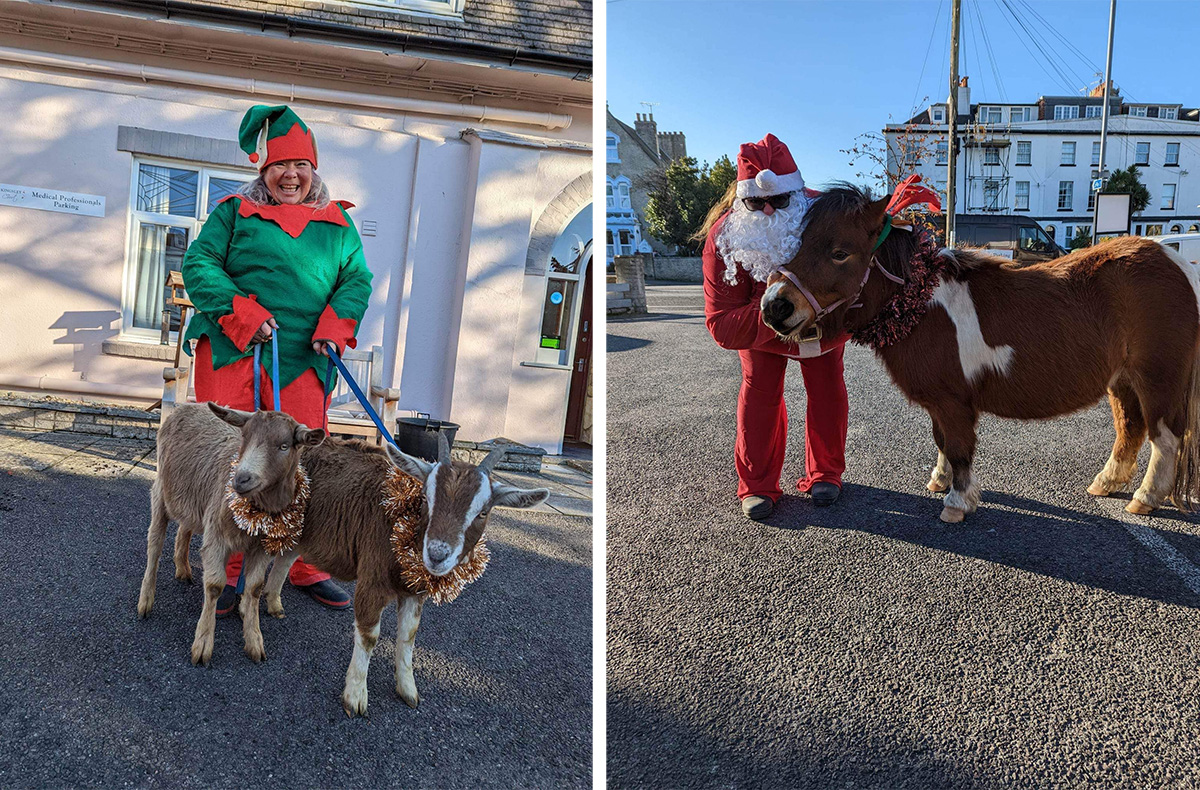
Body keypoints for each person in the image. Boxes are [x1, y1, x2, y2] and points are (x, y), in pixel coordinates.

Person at [181, 104, 373, 615]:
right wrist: (242, 312)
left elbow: (356, 280)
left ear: (314, 170)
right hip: (236, 349)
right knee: (235, 458)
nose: (290, 176)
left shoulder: (338, 225)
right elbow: (198, 263)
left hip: (306, 358)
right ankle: (229, 563)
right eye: (279, 166)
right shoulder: (232, 212)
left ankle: (303, 562)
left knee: (302, 463)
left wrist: (335, 327)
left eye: (300, 166)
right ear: (263, 171)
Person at [696, 133, 849, 521]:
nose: (767, 210)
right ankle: (757, 484)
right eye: (755, 202)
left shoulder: (825, 216)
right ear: (740, 199)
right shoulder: (724, 239)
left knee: (827, 390)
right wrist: (779, 314)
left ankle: (826, 472)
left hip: (820, 326)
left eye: (779, 200)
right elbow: (721, 324)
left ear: (796, 193)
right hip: (762, 333)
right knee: (760, 397)